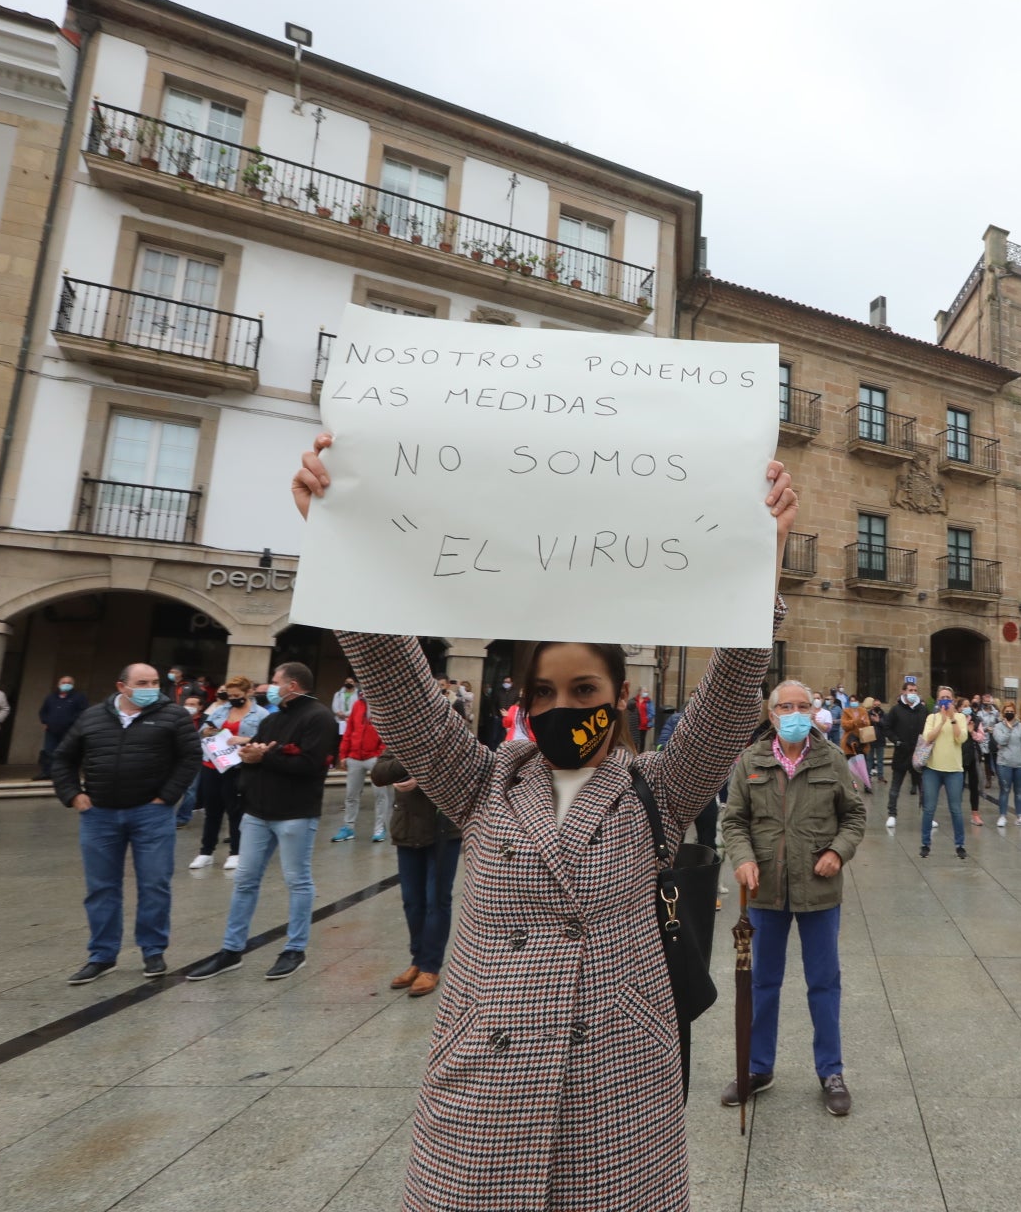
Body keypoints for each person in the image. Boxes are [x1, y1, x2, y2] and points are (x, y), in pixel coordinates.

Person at [289, 430, 797, 1210]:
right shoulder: (479, 782)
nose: (566, 708)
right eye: (547, 693)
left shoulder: (655, 792)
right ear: (524, 704)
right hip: (486, 1089)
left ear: (619, 697)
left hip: (617, 1089)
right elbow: (399, 686)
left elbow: (730, 701)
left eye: (585, 690)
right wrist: (338, 544)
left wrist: (757, 571)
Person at [720, 679, 866, 1117]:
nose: (797, 713)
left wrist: (838, 852)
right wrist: (742, 858)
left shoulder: (831, 758)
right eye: (788, 706)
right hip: (764, 891)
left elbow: (855, 816)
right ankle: (757, 1068)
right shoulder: (751, 760)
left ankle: (831, 1071)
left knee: (824, 983)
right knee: (762, 982)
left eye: (805, 705)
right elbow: (734, 821)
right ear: (772, 713)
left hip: (819, 890)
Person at [186, 662, 339, 983]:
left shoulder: (318, 717)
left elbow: (311, 764)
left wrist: (266, 755)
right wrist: (250, 756)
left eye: (274, 681)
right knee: (245, 880)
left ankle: (295, 949)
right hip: (257, 810)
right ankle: (231, 950)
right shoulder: (272, 718)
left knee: (297, 881)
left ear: (293, 685)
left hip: (295, 812)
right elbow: (258, 756)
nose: (268, 687)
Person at [50, 662, 199, 983]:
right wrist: (73, 795)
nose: (150, 688)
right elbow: (63, 757)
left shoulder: (172, 715)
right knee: (102, 887)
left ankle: (153, 950)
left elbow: (191, 756)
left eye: (155, 682)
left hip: (151, 813)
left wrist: (168, 795)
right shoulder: (92, 716)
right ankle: (102, 954)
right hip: (99, 815)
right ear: (122, 687)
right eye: (142, 682)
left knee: (154, 883)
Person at [378, 754, 460, 1000]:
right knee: (412, 901)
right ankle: (417, 959)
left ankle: (430, 966)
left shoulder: (451, 734)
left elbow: (462, 777)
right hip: (407, 827)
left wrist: (421, 778)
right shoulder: (400, 737)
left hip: (443, 830)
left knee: (437, 900)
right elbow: (379, 773)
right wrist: (407, 765)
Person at [189, 675, 261, 871]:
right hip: (213, 764)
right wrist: (206, 732)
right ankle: (206, 852)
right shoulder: (221, 710)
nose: (233, 699)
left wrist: (243, 739)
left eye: (237, 695)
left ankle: (236, 852)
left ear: (248, 693)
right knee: (212, 810)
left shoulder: (260, 714)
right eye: (230, 695)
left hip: (237, 767)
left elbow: (265, 740)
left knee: (235, 810)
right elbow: (203, 731)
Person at [917, 687, 969, 859]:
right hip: (933, 770)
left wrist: (952, 719)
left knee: (956, 809)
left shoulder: (961, 717)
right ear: (938, 701)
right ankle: (925, 843)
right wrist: (941, 721)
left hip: (954, 770)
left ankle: (960, 844)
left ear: (953, 700)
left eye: (948, 698)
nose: (945, 700)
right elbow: (928, 737)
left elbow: (961, 738)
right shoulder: (931, 718)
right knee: (929, 808)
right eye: (942, 698)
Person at [332, 687, 388, 843]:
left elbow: (387, 733)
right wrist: (344, 754)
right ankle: (348, 827)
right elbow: (350, 731)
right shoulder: (358, 705)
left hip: (374, 757)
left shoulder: (383, 707)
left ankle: (379, 828)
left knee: (380, 796)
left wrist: (380, 753)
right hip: (355, 756)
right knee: (351, 795)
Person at [882, 681, 926, 828]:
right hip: (901, 753)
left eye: (915, 690)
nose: (913, 693)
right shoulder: (896, 710)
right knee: (895, 787)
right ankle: (892, 814)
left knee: (923, 787)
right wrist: (896, 740)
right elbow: (887, 728)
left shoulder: (922, 710)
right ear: (903, 692)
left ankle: (927, 814)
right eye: (910, 690)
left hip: (918, 754)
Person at [37, 675, 88, 781]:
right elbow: (43, 711)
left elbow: (83, 712)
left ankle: (66, 774)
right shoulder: (51, 697)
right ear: (58, 684)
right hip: (51, 730)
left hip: (69, 730)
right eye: (63, 682)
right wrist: (45, 721)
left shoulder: (78, 697)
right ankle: (47, 772)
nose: (66, 684)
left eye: (68, 683)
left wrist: (72, 722)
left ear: (72, 685)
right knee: (48, 751)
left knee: (67, 752)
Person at [991, 702, 1021, 827]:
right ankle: (1002, 815)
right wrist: (1009, 729)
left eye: (1012, 711)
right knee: (1005, 790)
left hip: (1020, 763)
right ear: (1003, 713)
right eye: (1007, 711)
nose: (1009, 713)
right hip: (1004, 763)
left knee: (1019, 792)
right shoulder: (998, 727)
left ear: (1015, 712)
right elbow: (1001, 740)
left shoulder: (1020, 725)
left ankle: (1020, 816)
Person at [173, 692, 206, 826]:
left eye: (192, 704)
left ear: (200, 707)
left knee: (190, 790)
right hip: (176, 757)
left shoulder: (207, 720)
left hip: (196, 758)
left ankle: (182, 818)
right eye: (186, 704)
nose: (188, 707)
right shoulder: (178, 718)